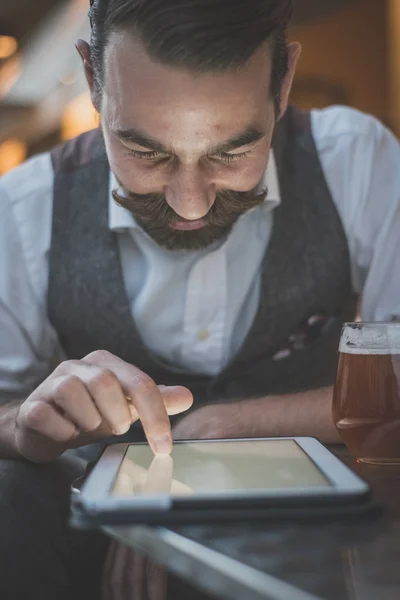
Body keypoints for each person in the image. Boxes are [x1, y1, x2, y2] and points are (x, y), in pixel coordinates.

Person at [0, 0, 399, 598]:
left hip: (322, 527)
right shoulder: (22, 209)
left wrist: (226, 425)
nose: (191, 204)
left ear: (283, 82)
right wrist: (25, 427)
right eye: (147, 153)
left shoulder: (358, 160)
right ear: (92, 80)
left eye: (232, 153)